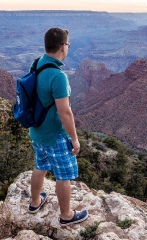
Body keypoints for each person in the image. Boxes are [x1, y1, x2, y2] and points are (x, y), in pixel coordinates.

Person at [28, 27, 88, 227]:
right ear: (63, 47)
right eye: (68, 45)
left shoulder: (37, 64)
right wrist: (75, 138)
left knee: (40, 166)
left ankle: (35, 202)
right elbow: (65, 112)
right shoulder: (58, 76)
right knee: (64, 176)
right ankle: (66, 215)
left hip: (37, 131)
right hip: (55, 136)